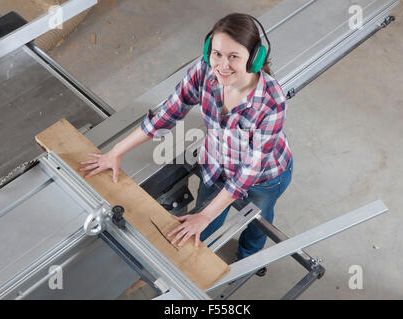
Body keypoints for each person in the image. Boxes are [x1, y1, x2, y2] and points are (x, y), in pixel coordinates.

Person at [79, 13, 292, 268]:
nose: (222, 65)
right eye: (216, 54)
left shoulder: (272, 101)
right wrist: (116, 152)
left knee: (258, 219)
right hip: (215, 165)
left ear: (254, 58)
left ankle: (250, 257)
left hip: (265, 177)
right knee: (202, 226)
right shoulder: (204, 71)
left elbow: (248, 173)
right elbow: (166, 115)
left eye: (233, 56)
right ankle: (202, 259)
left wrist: (204, 215)